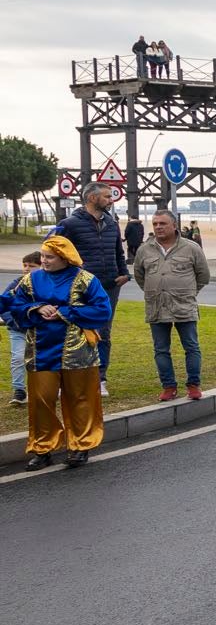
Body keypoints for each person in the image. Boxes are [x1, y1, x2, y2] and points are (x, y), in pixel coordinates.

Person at [1, 236, 112, 469]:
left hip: (78, 351)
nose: (44, 261)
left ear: (64, 258)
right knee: (41, 402)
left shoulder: (86, 279)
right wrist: (36, 307)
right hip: (40, 351)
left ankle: (80, 446)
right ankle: (43, 448)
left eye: (49, 257)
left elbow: (102, 310)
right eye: (42, 256)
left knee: (80, 399)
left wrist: (65, 312)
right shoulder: (30, 280)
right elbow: (14, 304)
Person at [54, 181, 129, 395]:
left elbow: (118, 252)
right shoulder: (69, 224)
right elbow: (54, 250)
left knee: (103, 332)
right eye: (106, 196)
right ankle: (67, 380)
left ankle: (99, 379)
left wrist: (124, 273)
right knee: (73, 332)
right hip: (80, 287)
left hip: (109, 286)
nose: (111, 199)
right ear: (92, 198)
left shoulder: (111, 223)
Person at [131, 209, 211, 400]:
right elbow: (140, 276)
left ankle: (193, 385)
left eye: (163, 223)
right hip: (156, 307)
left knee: (191, 346)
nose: (158, 227)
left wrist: (187, 293)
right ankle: (168, 386)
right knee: (160, 349)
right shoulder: (144, 249)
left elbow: (203, 276)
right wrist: (155, 291)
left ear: (174, 226)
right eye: (155, 224)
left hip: (184, 306)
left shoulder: (191, 248)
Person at [5, 252, 42, 405]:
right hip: (18, 329)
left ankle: (43, 389)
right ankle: (19, 390)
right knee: (18, 358)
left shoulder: (46, 286)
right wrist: (12, 321)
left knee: (41, 360)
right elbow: (4, 304)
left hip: (40, 331)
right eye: (24, 265)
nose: (26, 269)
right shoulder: (17, 284)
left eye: (31, 266)